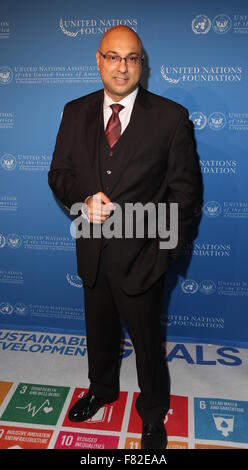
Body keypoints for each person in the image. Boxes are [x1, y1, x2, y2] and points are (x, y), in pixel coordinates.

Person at [48, 25, 202, 449]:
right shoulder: (74, 111)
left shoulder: (171, 118)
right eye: (113, 56)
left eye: (131, 58)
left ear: (142, 64)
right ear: (98, 60)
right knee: (98, 332)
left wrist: (162, 253)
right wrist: (82, 200)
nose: (122, 66)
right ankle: (102, 389)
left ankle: (152, 412)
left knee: (148, 344)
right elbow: (59, 174)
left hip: (143, 257)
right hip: (92, 252)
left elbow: (185, 194)